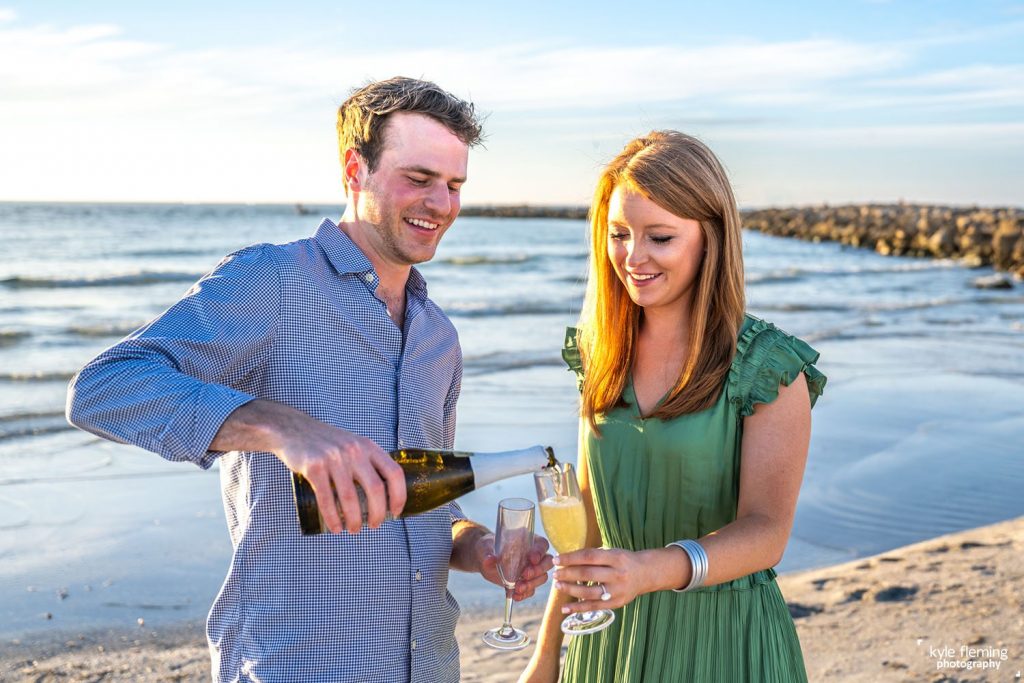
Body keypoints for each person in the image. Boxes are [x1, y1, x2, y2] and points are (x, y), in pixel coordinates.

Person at [66, 76, 551, 683]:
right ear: (357, 170)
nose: (442, 204)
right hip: (295, 664)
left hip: (427, 663)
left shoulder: (438, 338)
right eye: (419, 179)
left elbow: (421, 500)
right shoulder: (274, 279)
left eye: (454, 185)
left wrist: (479, 550)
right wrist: (280, 426)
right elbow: (104, 388)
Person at [520, 131, 827, 683]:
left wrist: (649, 570)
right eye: (618, 234)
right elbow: (585, 522)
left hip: (722, 641)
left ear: (710, 238)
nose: (633, 258)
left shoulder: (767, 366)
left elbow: (767, 532)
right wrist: (544, 659)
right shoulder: (599, 354)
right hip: (607, 642)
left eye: (659, 237)